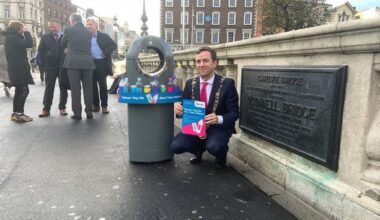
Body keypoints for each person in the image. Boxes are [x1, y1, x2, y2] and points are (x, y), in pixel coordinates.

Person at [170, 46, 240, 169]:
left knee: (215, 147)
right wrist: (179, 110)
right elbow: (184, 109)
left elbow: (234, 113)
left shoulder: (227, 84)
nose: (201, 65)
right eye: (198, 61)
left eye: (205, 61)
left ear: (215, 63)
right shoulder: (190, 83)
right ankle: (198, 151)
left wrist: (218, 118)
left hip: (218, 127)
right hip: (195, 127)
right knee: (176, 146)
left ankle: (221, 155)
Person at [61, 13, 95, 120]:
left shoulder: (68, 30)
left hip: (73, 63)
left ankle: (77, 114)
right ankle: (89, 112)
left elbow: (63, 43)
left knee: (75, 89)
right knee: (88, 88)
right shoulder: (88, 32)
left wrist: (68, 49)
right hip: (87, 63)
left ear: (72, 21)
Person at [4, 21, 34, 122]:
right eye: (23, 27)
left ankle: (16, 113)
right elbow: (29, 44)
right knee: (24, 90)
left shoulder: (11, 37)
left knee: (19, 91)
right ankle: (19, 114)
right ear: (19, 28)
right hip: (18, 68)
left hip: (16, 67)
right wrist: (27, 32)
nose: (24, 28)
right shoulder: (13, 38)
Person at [38, 19, 68, 117]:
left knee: (63, 87)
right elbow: (40, 52)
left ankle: (62, 108)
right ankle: (46, 109)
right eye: (50, 27)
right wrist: (43, 64)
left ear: (59, 26)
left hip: (63, 66)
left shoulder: (65, 37)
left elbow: (70, 49)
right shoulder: (45, 37)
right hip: (49, 66)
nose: (52, 29)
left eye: (54, 27)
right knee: (49, 88)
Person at [86, 17, 116, 114]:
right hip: (90, 64)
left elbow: (113, 45)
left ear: (96, 25)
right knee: (93, 86)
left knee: (102, 85)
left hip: (101, 63)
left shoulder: (104, 36)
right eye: (87, 25)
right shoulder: (86, 36)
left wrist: (105, 52)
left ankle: (104, 106)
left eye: (90, 25)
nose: (88, 27)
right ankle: (96, 105)